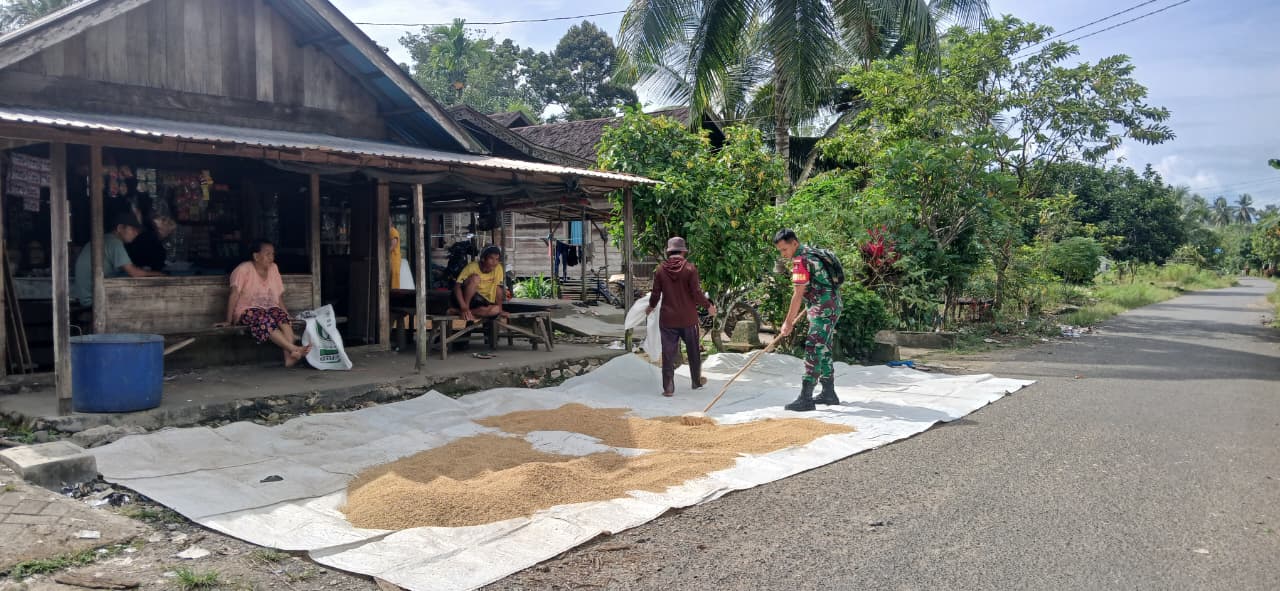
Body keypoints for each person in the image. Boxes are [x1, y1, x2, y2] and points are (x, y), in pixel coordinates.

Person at [773, 229, 842, 411]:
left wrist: (787, 323)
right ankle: (829, 392)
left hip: (823, 309)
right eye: (780, 250)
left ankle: (806, 397)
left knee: (813, 348)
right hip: (830, 304)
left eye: (785, 249)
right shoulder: (812, 252)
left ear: (794, 243)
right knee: (823, 347)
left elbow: (797, 294)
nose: (783, 254)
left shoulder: (800, 261)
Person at [218, 240, 311, 367]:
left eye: (273, 254)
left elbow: (278, 296)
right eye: (267, 254)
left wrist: (287, 314)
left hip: (269, 308)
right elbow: (234, 295)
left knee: (281, 316)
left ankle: (289, 359)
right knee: (264, 319)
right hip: (247, 311)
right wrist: (229, 321)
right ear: (256, 256)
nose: (271, 258)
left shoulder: (274, 268)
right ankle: (294, 349)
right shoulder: (242, 270)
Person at [648, 237, 715, 397]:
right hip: (688, 318)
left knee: (668, 353)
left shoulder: (660, 270)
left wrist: (650, 307)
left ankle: (668, 388)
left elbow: (656, 293)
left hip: (667, 319)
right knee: (693, 351)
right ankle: (696, 382)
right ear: (683, 252)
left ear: (669, 252)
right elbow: (696, 293)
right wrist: (709, 306)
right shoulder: (690, 269)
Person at [73, 212, 165, 307]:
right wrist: (160, 275)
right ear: (120, 228)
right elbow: (135, 273)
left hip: (86, 297)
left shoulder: (106, 239)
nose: (136, 233)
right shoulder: (114, 243)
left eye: (137, 231)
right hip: (94, 301)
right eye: (133, 229)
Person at [452, 245, 509, 322]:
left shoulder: (498, 268)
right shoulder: (472, 267)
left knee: (496, 309)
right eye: (491, 258)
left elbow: (498, 289)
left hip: (483, 302)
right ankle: (466, 310)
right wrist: (464, 307)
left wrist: (500, 310)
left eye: (497, 259)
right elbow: (457, 287)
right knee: (475, 278)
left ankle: (459, 312)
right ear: (483, 259)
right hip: (470, 299)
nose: (494, 262)